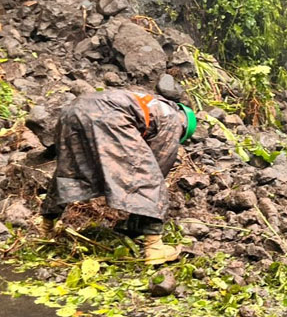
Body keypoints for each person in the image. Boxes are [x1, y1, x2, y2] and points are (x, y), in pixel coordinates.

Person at [39, 89, 197, 265]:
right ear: (185, 127)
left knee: (70, 170)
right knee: (149, 177)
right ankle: (155, 247)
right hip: (109, 117)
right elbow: (156, 168)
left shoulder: (151, 103)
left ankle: (46, 229)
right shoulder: (172, 120)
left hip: (72, 111)